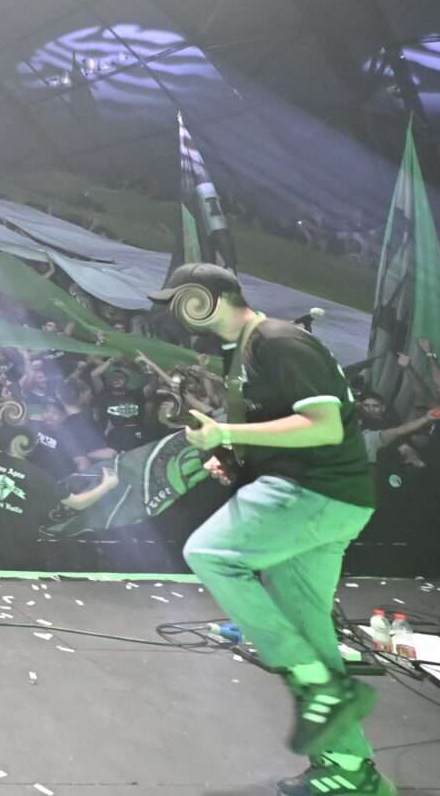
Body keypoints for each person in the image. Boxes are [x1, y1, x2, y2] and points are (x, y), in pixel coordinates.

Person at [154, 264, 386, 795]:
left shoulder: (280, 341)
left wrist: (224, 430)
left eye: (182, 299)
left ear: (212, 298)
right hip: (328, 501)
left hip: (316, 493)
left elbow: (324, 426)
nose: (176, 312)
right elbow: (278, 429)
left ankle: (312, 679)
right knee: (310, 631)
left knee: (210, 553)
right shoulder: (241, 354)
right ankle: (350, 771)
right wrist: (234, 458)